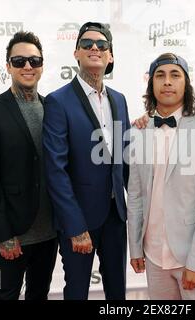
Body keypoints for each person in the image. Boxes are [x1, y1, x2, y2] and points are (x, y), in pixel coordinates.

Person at [43, 22, 130, 300]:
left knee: (117, 292)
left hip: (116, 217)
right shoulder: (58, 101)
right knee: (77, 292)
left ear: (111, 56)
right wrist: (75, 225)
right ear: (76, 53)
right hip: (79, 220)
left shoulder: (120, 100)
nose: (95, 48)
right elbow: (56, 169)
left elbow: (125, 159)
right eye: (88, 44)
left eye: (102, 45)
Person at [127, 53, 195, 299]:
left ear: (186, 84)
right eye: (160, 76)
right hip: (153, 255)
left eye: (175, 75)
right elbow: (136, 196)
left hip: (190, 257)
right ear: (151, 84)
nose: (167, 82)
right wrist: (136, 247)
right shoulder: (139, 132)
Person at [0, 31, 58, 300]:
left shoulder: (52, 108)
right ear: (8, 65)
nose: (27, 67)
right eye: (19, 60)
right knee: (4, 294)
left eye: (34, 61)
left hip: (49, 233)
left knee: (39, 294)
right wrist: (2, 235)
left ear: (42, 66)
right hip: (11, 236)